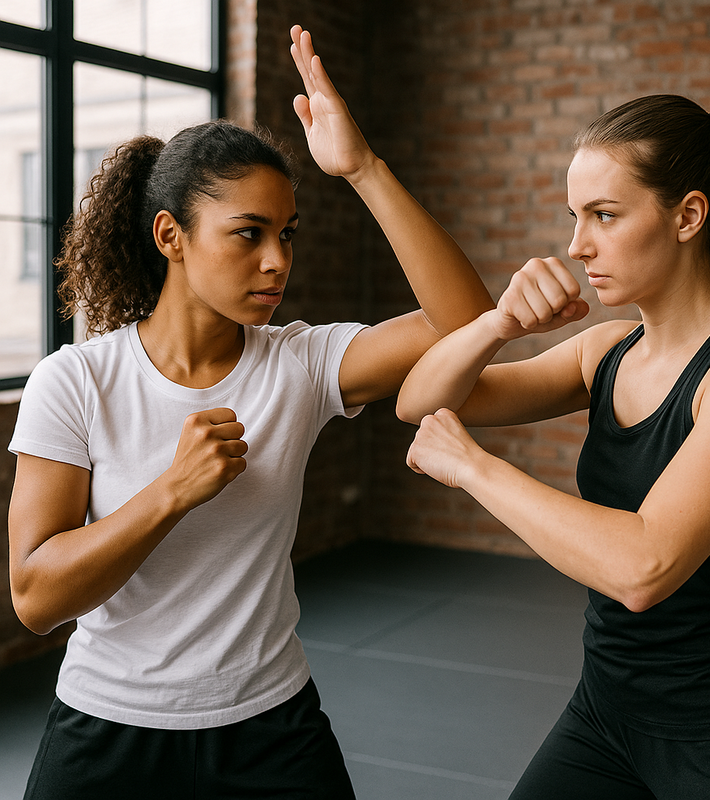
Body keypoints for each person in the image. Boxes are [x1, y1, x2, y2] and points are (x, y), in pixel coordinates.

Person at [7, 25, 492, 799]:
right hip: (108, 728)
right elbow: (35, 598)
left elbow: (467, 322)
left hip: (269, 725)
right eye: (249, 234)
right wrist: (171, 492)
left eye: (287, 235)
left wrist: (362, 169)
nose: (277, 261)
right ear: (171, 236)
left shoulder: (299, 363)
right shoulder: (76, 381)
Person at [398, 95, 710, 799]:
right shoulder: (607, 349)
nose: (578, 245)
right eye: (574, 217)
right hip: (605, 712)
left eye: (604, 215)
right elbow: (420, 400)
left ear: (688, 216)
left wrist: (473, 468)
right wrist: (498, 324)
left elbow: (644, 567)